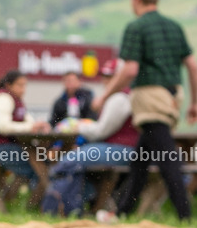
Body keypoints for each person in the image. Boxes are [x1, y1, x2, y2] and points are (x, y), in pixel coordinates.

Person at [94, 0, 197, 223]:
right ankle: (122, 212)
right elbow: (193, 67)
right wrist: (195, 103)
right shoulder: (174, 27)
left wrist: (105, 95)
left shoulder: (137, 27)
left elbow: (130, 69)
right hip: (173, 96)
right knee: (140, 161)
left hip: (150, 99)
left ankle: (185, 217)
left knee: (168, 160)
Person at [42, 60, 139, 216]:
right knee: (75, 160)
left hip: (121, 149)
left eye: (110, 76)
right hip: (124, 149)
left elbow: (101, 131)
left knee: (69, 160)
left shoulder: (119, 98)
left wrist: (78, 126)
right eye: (104, 76)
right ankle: (75, 204)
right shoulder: (121, 96)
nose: (105, 80)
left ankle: (60, 204)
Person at [0, 70, 51, 190]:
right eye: (20, 85)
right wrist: (31, 127)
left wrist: (38, 125)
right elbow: (3, 127)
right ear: (9, 85)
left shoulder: (17, 100)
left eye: (24, 85)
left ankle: (40, 195)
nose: (23, 89)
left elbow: (28, 121)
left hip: (7, 147)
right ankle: (42, 196)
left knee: (40, 160)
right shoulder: (3, 98)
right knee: (37, 165)